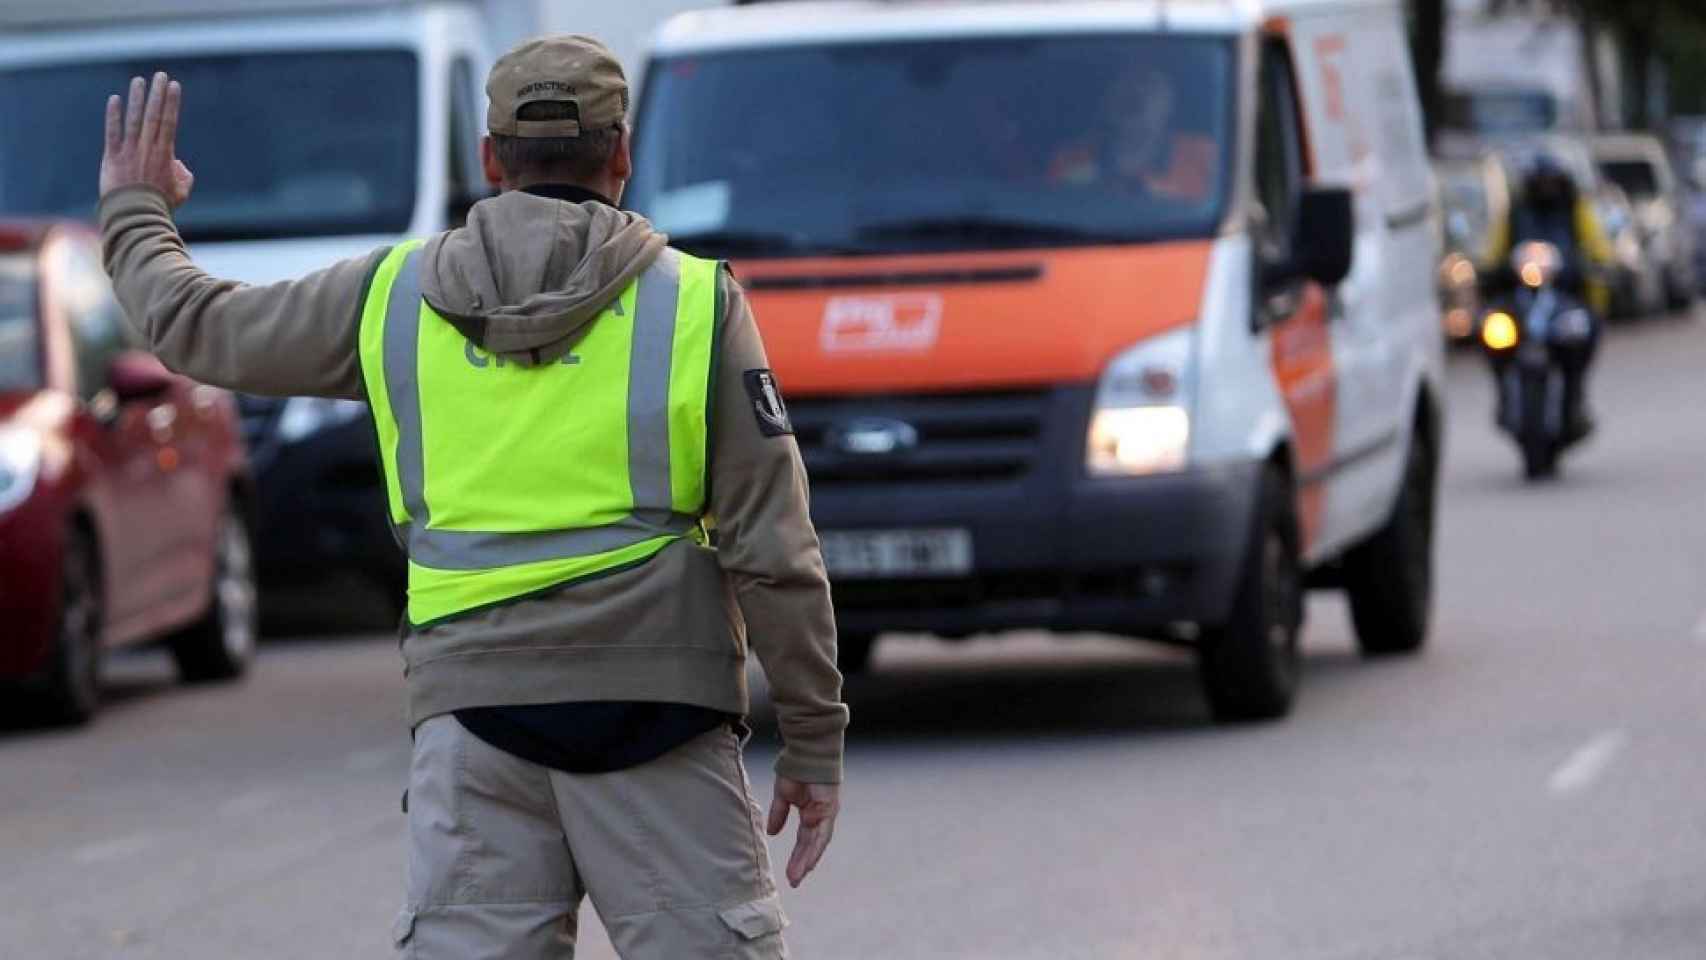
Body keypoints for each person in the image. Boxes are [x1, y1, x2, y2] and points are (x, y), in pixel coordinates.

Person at [97, 36, 846, 959]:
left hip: (473, 727)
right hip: (661, 715)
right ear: (621, 153)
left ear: (490, 159)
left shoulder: (389, 297)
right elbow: (775, 550)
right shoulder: (695, 304)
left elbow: (192, 326)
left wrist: (136, 211)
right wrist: (812, 739)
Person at [1487, 153, 1615, 439]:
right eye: (1540, 182)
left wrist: (1598, 264)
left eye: (1550, 182)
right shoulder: (1516, 212)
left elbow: (1597, 245)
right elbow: (1494, 251)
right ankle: (1504, 395)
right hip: (1521, 297)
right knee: (1491, 328)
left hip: (1563, 294)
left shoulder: (1575, 209)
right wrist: (1487, 269)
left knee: (1584, 330)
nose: (1545, 188)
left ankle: (1575, 397)